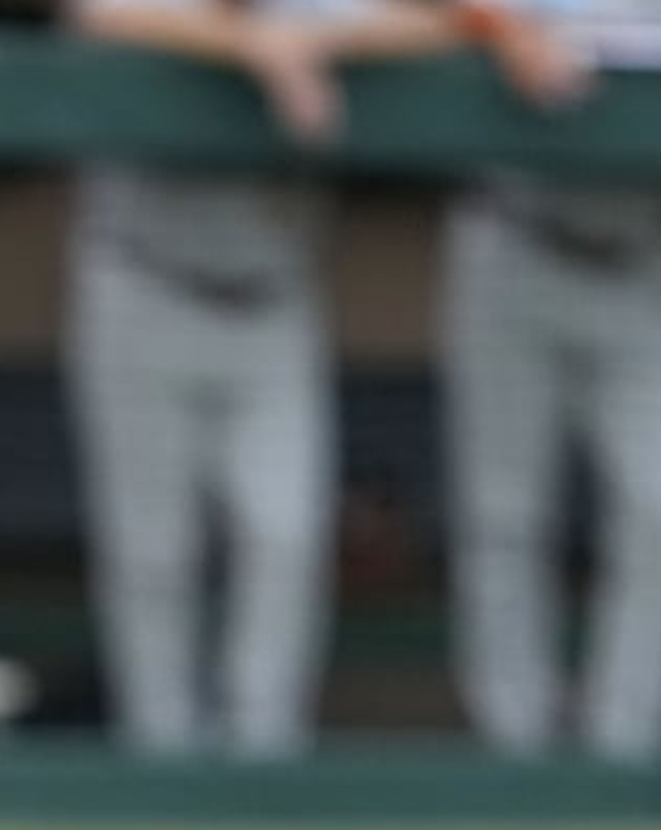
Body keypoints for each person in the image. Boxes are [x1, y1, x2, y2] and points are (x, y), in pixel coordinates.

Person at [64, 0, 465, 760]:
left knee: (283, 531)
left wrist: (308, 42)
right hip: (144, 280)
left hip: (273, 296)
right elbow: (100, 13)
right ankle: (162, 756)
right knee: (152, 548)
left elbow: (443, 23)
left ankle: (263, 752)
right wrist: (250, 48)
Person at [440, 0, 661, 765]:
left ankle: (627, 748)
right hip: (516, 232)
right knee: (504, 513)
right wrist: (507, 29)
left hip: (644, 253)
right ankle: (516, 745)